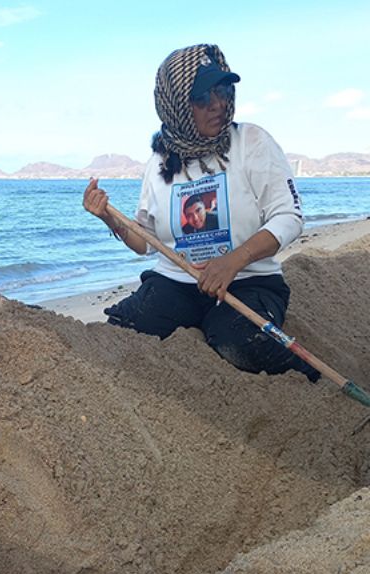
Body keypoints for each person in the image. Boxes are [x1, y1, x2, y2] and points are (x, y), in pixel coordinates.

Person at [82, 44, 317, 381]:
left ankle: (307, 377)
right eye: (203, 97)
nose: (219, 104)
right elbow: (145, 241)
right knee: (126, 326)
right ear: (176, 104)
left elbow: (289, 216)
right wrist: (108, 217)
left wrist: (233, 261)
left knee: (238, 342)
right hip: (177, 282)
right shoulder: (159, 163)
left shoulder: (251, 142)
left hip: (249, 282)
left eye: (222, 91)